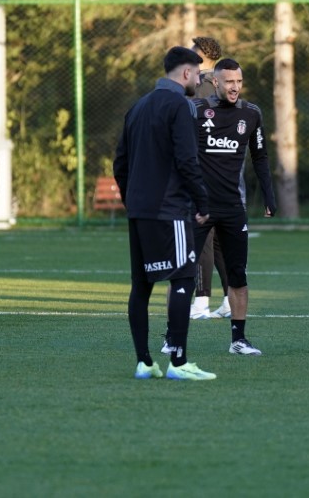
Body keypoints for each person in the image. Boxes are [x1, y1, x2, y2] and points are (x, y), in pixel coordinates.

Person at [113, 46, 216, 381]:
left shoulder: (137, 106)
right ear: (186, 73)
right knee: (184, 277)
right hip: (170, 210)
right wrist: (201, 204)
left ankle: (144, 363)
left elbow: (120, 164)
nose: (200, 81)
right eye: (198, 75)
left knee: (141, 285)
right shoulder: (180, 106)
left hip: (140, 212)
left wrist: (134, 201)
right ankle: (179, 362)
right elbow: (188, 160)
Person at [192, 58, 277, 355]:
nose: (235, 87)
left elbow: (261, 157)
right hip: (199, 207)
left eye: (239, 82)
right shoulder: (198, 111)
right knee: (183, 273)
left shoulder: (251, 114)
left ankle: (238, 340)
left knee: (237, 274)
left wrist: (269, 195)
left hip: (233, 207)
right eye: (229, 81)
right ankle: (172, 337)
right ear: (215, 82)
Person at [188, 35, 231, 319]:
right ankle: (230, 299)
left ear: (202, 55)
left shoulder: (200, 86)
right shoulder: (221, 85)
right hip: (223, 170)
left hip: (202, 171)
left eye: (192, 52)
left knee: (202, 236)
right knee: (216, 242)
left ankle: (201, 302)